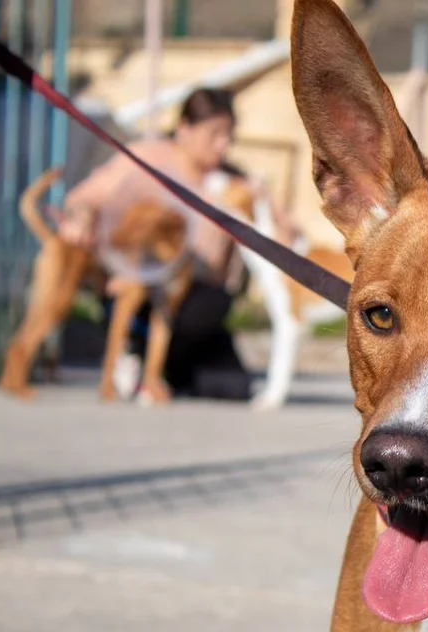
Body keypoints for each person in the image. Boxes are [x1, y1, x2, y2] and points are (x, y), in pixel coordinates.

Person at [58, 87, 294, 402]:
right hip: (141, 288)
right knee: (148, 300)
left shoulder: (233, 181)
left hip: (200, 304)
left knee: (232, 387)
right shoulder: (148, 156)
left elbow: (288, 240)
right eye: (214, 134)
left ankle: (157, 373)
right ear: (184, 129)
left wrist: (266, 207)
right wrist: (82, 216)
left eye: (229, 136)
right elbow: (87, 197)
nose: (223, 145)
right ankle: (136, 357)